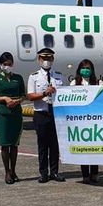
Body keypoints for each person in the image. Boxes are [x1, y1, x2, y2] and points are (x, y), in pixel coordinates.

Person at [27, 48, 64, 183]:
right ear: (39, 60)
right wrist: (45, 93)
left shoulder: (59, 76)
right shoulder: (34, 76)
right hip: (41, 114)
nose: (46, 61)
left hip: (55, 114)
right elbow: (30, 96)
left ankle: (54, 172)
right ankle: (43, 173)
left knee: (55, 145)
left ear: (53, 60)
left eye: (49, 58)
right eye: (44, 58)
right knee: (42, 145)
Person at [0, 52, 26, 184]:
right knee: (5, 144)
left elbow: (23, 95)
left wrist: (17, 101)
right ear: (1, 65)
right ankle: (7, 172)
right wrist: (4, 98)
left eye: (9, 64)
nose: (7, 66)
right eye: (5, 64)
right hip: (3, 114)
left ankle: (14, 170)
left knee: (14, 144)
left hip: (16, 113)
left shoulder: (18, 78)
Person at [71, 59, 102, 184]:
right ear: (79, 70)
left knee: (95, 149)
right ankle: (85, 175)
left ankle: (94, 174)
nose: (86, 70)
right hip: (81, 121)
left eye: (88, 68)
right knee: (83, 149)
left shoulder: (98, 82)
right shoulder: (74, 83)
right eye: (84, 68)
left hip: (94, 120)